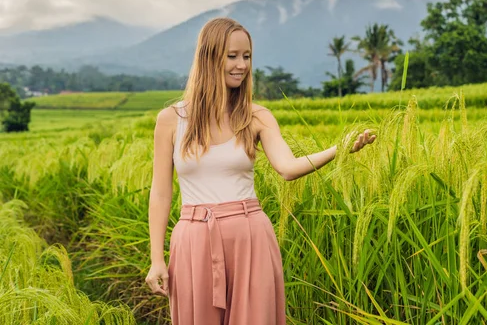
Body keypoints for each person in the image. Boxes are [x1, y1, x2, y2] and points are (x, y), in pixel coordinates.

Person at [145, 17, 376, 324]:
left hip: (249, 236)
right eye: (232, 56)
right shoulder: (171, 120)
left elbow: (288, 168)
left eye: (247, 56)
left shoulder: (257, 117)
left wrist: (339, 149)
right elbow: (161, 192)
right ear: (208, 56)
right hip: (193, 241)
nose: (241, 65)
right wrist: (156, 259)